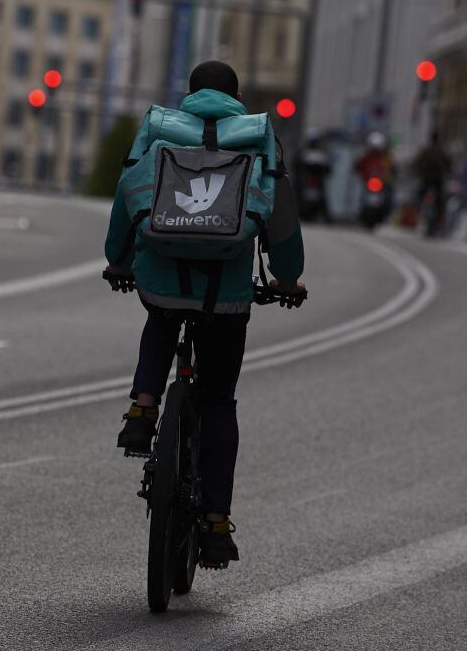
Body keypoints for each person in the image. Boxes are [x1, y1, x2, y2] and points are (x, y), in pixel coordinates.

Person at [102, 60, 305, 569]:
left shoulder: (159, 128)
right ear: (236, 95)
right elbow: (279, 215)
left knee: (162, 315)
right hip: (227, 296)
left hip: (163, 277)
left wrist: (120, 261)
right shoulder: (258, 135)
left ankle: (142, 408)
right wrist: (285, 276)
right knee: (218, 402)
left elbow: (127, 197)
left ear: (189, 94)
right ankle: (215, 524)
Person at [413, 131, 452, 235]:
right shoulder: (441, 151)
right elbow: (449, 164)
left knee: (419, 197)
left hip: (426, 179)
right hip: (437, 180)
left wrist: (419, 173)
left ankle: (420, 213)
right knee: (441, 202)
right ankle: (438, 220)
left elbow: (418, 163)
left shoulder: (426, 150)